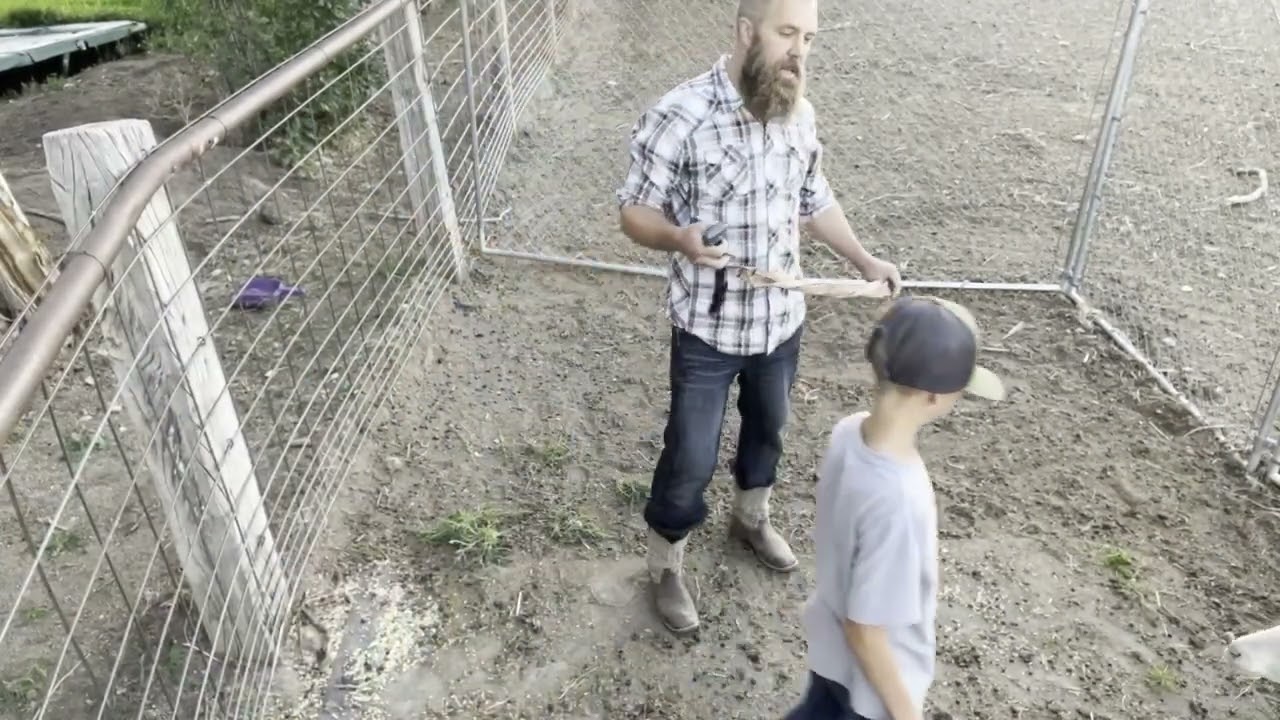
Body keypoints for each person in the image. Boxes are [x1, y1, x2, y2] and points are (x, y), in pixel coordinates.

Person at [614, 0, 903, 635]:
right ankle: (667, 562)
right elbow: (635, 211)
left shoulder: (799, 114)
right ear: (747, 33)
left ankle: (750, 516)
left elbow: (815, 199)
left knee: (769, 429)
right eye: (787, 34)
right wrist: (680, 240)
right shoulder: (682, 113)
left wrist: (863, 259)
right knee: (690, 453)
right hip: (708, 332)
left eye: (810, 38)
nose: (799, 51)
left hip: (780, 323)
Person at [787, 295, 1005, 720]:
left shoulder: (848, 431)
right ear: (933, 398)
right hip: (870, 692)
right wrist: (907, 714)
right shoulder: (902, 499)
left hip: (831, 655)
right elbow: (865, 630)